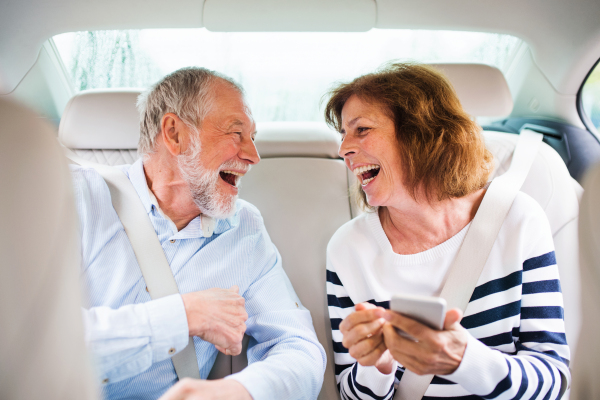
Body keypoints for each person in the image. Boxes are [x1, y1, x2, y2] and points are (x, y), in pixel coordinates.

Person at [74, 67, 326, 400]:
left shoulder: (244, 229)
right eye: (236, 134)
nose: (253, 155)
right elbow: (27, 342)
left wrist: (240, 391)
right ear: (175, 134)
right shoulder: (74, 197)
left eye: (253, 137)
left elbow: (298, 346)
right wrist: (184, 316)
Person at [324, 63, 570, 399]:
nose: (343, 150)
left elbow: (554, 381)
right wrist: (375, 365)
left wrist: (463, 360)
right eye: (343, 134)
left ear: (421, 133)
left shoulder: (519, 220)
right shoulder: (348, 248)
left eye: (362, 129)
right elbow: (351, 395)